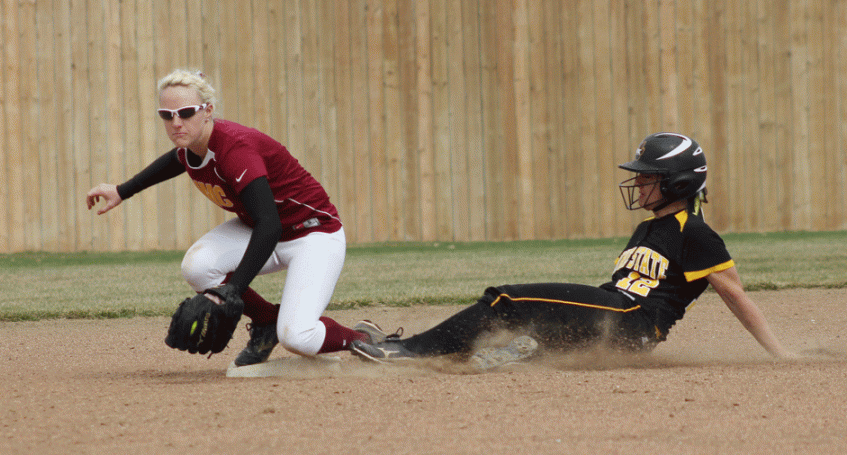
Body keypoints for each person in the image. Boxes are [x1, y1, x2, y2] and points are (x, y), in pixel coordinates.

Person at [350, 132, 793, 368]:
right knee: (536, 326)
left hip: (629, 324)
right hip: (617, 321)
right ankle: (462, 357)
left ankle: (408, 351)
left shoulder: (695, 233)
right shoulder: (647, 228)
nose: (638, 182)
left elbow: (735, 293)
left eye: (647, 176)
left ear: (677, 183)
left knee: (508, 299)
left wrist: (780, 355)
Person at [86, 69, 384, 366]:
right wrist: (122, 191)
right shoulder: (194, 145)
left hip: (312, 234)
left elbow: (270, 224)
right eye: (167, 114)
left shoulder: (234, 148)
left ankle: (363, 338)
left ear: (208, 111)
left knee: (298, 337)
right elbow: (176, 161)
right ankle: (267, 322)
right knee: (197, 267)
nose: (176, 122)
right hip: (263, 229)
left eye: (186, 112)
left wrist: (231, 292)